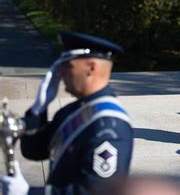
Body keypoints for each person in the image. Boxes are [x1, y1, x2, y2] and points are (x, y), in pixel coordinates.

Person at [1, 30, 133, 195]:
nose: (61, 72)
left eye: (67, 65)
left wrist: (30, 193)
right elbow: (34, 150)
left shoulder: (110, 127)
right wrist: (39, 108)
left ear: (91, 67)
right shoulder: (70, 112)